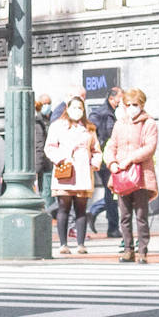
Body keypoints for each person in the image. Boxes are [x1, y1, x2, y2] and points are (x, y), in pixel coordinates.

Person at [104, 88, 159, 265]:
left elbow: (150, 147)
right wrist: (111, 162)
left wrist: (129, 159)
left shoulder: (149, 123)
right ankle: (128, 250)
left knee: (141, 215)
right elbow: (111, 145)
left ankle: (142, 250)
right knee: (124, 215)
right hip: (121, 174)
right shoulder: (120, 123)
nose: (131, 108)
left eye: (135, 104)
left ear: (142, 104)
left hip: (141, 175)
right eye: (128, 105)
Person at [44, 94, 102, 255]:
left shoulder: (89, 128)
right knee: (64, 207)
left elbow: (96, 150)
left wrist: (95, 163)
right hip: (65, 170)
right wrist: (60, 159)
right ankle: (63, 244)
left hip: (83, 172)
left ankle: (81, 244)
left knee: (81, 208)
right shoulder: (57, 126)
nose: (77, 111)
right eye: (74, 107)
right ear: (67, 108)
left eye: (80, 108)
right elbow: (50, 147)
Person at [88, 86, 123, 238]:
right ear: (112, 99)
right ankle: (113, 227)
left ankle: (97, 212)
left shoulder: (117, 113)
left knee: (115, 193)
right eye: (120, 98)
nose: (122, 101)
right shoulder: (101, 114)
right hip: (105, 160)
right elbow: (90, 129)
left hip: (115, 158)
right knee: (112, 192)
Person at [34, 94, 53, 204]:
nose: (47, 106)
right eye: (45, 103)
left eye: (49, 103)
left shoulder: (50, 119)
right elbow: (39, 144)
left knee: (47, 191)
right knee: (45, 191)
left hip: (48, 161)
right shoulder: (38, 121)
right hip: (43, 162)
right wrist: (37, 166)